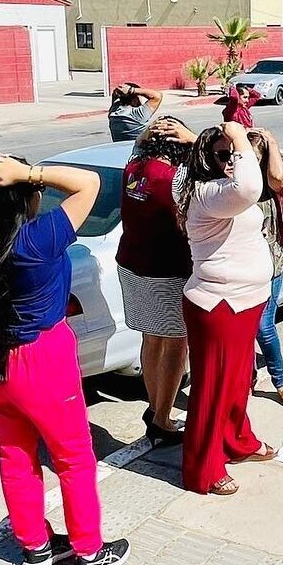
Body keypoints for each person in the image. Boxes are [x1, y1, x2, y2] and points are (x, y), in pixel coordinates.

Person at [0, 153, 130, 565]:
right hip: (43, 356)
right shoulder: (39, 237)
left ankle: (34, 546)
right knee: (74, 458)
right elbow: (87, 183)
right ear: (29, 197)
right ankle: (89, 551)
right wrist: (27, 173)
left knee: (14, 455)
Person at [176, 122, 276, 495]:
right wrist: (235, 133)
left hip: (245, 301)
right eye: (224, 155)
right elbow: (250, 187)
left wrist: (234, 142)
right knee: (212, 389)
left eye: (234, 154)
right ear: (207, 160)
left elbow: (261, 180)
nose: (234, 159)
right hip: (219, 305)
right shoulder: (207, 193)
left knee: (237, 384)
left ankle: (237, 441)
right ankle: (202, 468)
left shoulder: (219, 189)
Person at [117, 117, 195, 447]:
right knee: (176, 342)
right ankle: (162, 419)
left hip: (132, 264)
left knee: (151, 339)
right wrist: (193, 138)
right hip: (168, 268)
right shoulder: (178, 179)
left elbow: (137, 145)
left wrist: (152, 130)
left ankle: (154, 407)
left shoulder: (133, 168)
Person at [248, 128, 283, 408]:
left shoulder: (273, 187)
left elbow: (279, 178)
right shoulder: (236, 184)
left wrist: (272, 141)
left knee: (263, 325)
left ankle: (279, 380)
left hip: (270, 263)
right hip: (241, 268)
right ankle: (247, 377)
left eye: (255, 159)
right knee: (244, 328)